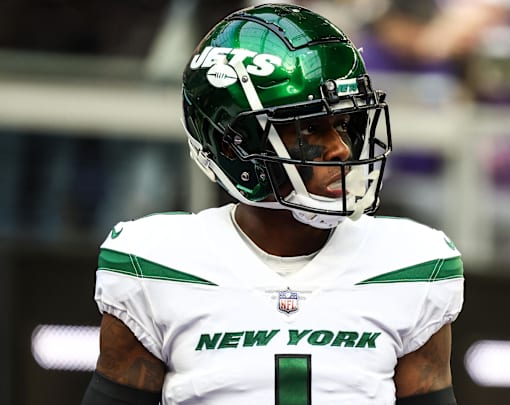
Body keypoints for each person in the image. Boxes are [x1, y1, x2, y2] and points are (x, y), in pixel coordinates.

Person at [80, 3, 464, 405]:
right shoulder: (155, 263)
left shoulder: (413, 265)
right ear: (236, 144)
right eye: (310, 129)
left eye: (345, 124)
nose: (341, 149)